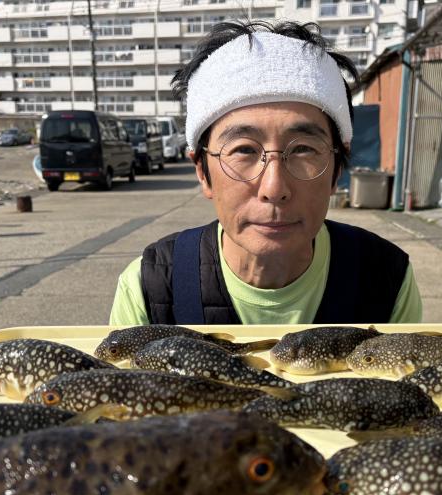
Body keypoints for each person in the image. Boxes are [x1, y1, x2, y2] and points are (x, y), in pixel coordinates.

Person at [109, 20, 422, 326]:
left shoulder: (386, 279)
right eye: (244, 150)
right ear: (203, 172)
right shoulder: (148, 289)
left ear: (337, 168)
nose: (274, 188)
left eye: (303, 150)